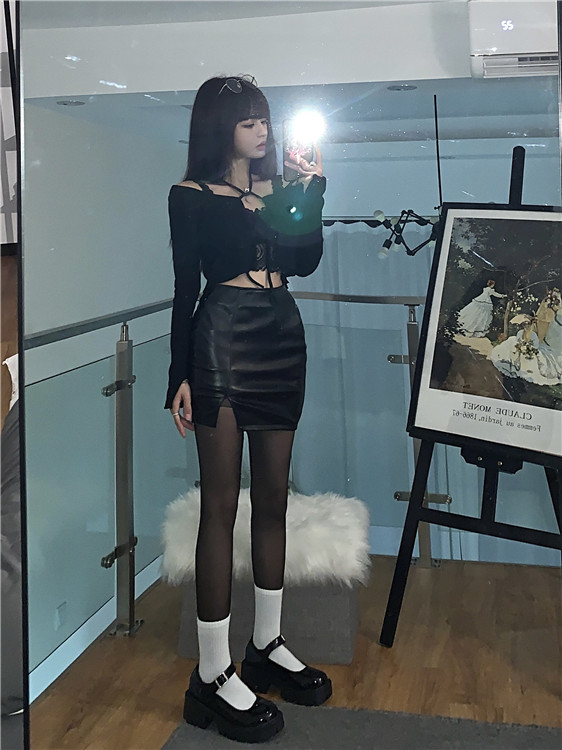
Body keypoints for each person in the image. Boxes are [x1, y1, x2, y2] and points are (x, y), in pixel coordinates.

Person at [164, 76, 331, 743]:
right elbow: (185, 287)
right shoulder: (190, 195)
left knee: (274, 498)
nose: (263, 130)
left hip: (281, 331)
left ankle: (266, 645)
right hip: (222, 337)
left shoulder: (279, 188)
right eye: (248, 121)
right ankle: (210, 675)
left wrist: (310, 190)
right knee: (220, 504)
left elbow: (306, 261)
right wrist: (178, 374)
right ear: (220, 128)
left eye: (265, 119)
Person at [489, 315, 562, 386]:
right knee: (513, 348)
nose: (526, 327)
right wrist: (522, 346)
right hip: (521, 349)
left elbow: (536, 345)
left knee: (539, 360)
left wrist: (529, 348)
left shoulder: (533, 334)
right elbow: (518, 341)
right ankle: (517, 367)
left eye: (528, 325)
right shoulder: (520, 333)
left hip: (531, 350)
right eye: (525, 325)